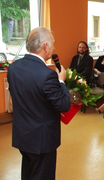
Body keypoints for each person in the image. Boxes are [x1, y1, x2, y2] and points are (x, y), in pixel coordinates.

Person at [7, 27, 71, 180]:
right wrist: (61, 81)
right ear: (45, 46)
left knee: (28, 174)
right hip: (42, 139)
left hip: (23, 135)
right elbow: (63, 105)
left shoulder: (13, 68)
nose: (54, 48)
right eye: (53, 44)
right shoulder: (47, 75)